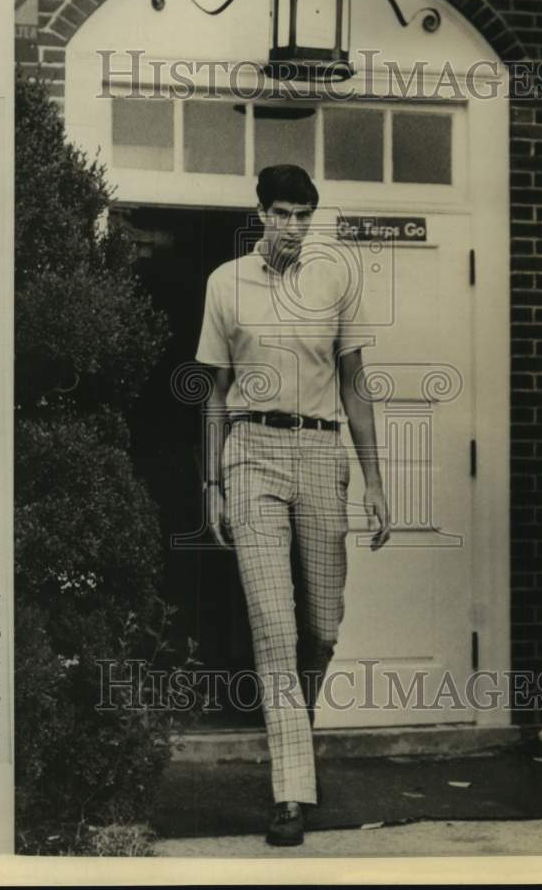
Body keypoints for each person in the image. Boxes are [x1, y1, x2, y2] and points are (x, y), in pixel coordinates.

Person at [195, 163, 390, 847]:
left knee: (323, 625)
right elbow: (215, 393)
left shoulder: (335, 278)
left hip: (321, 453)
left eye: (305, 214)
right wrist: (211, 482)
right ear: (260, 214)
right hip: (251, 451)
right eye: (282, 213)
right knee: (275, 628)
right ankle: (291, 791)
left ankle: (293, 736)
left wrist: (375, 479)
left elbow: (356, 384)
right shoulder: (226, 282)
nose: (294, 227)